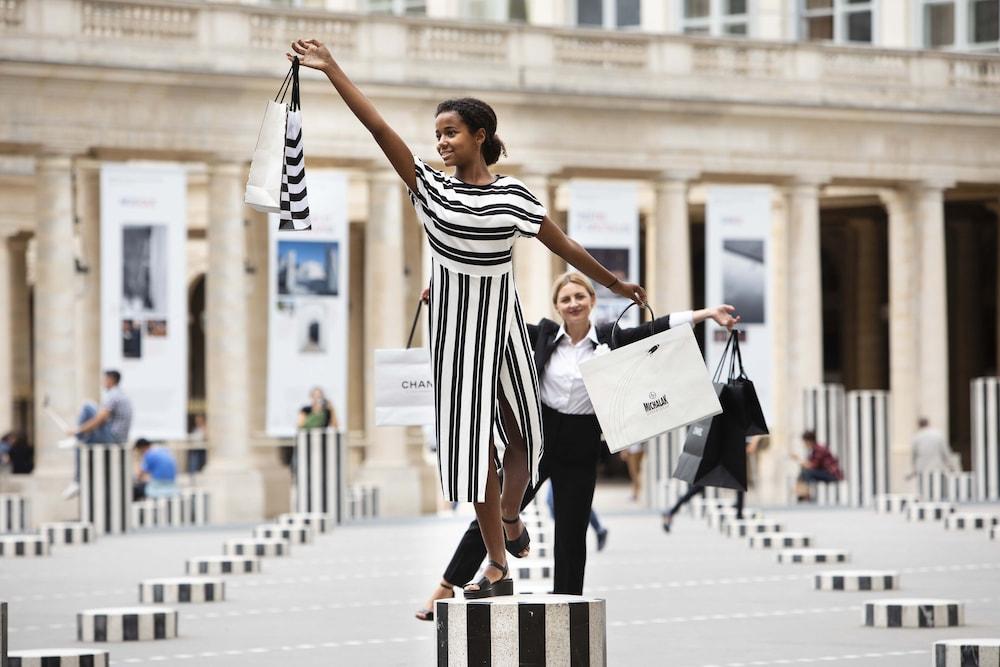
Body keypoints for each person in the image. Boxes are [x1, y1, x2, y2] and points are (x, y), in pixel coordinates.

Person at [291, 39, 651, 600]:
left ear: (479, 136)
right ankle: (498, 562)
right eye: (437, 133)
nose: (440, 142)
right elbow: (379, 129)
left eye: (451, 132)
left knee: (525, 438)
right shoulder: (428, 189)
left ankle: (510, 518)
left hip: (503, 327)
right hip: (456, 336)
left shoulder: (514, 197)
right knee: (472, 450)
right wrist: (334, 69)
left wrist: (614, 284)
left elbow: (566, 246)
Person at [414, 272, 739, 618]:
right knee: (492, 512)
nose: (573, 304)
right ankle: (448, 585)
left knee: (571, 532)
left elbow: (657, 328)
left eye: (579, 297)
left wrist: (706, 314)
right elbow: (492, 323)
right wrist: (443, 303)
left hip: (583, 441)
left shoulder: (610, 339)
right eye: (565, 299)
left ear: (592, 301)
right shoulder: (540, 335)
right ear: (556, 306)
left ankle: (565, 610)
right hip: (536, 438)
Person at [63, 370, 133, 499]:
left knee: (87, 406)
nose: (102, 383)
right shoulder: (122, 395)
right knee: (85, 438)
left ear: (111, 380)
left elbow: (99, 419)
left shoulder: (113, 395)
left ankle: (77, 479)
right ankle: (79, 439)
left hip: (113, 437)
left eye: (104, 379)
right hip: (119, 437)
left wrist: (78, 431)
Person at [792, 430, 843, 502]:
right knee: (804, 470)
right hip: (825, 472)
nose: (804, 445)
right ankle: (802, 493)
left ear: (809, 441)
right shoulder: (814, 450)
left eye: (805, 442)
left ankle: (805, 494)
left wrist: (798, 459)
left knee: (807, 472)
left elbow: (811, 466)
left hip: (832, 474)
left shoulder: (819, 449)